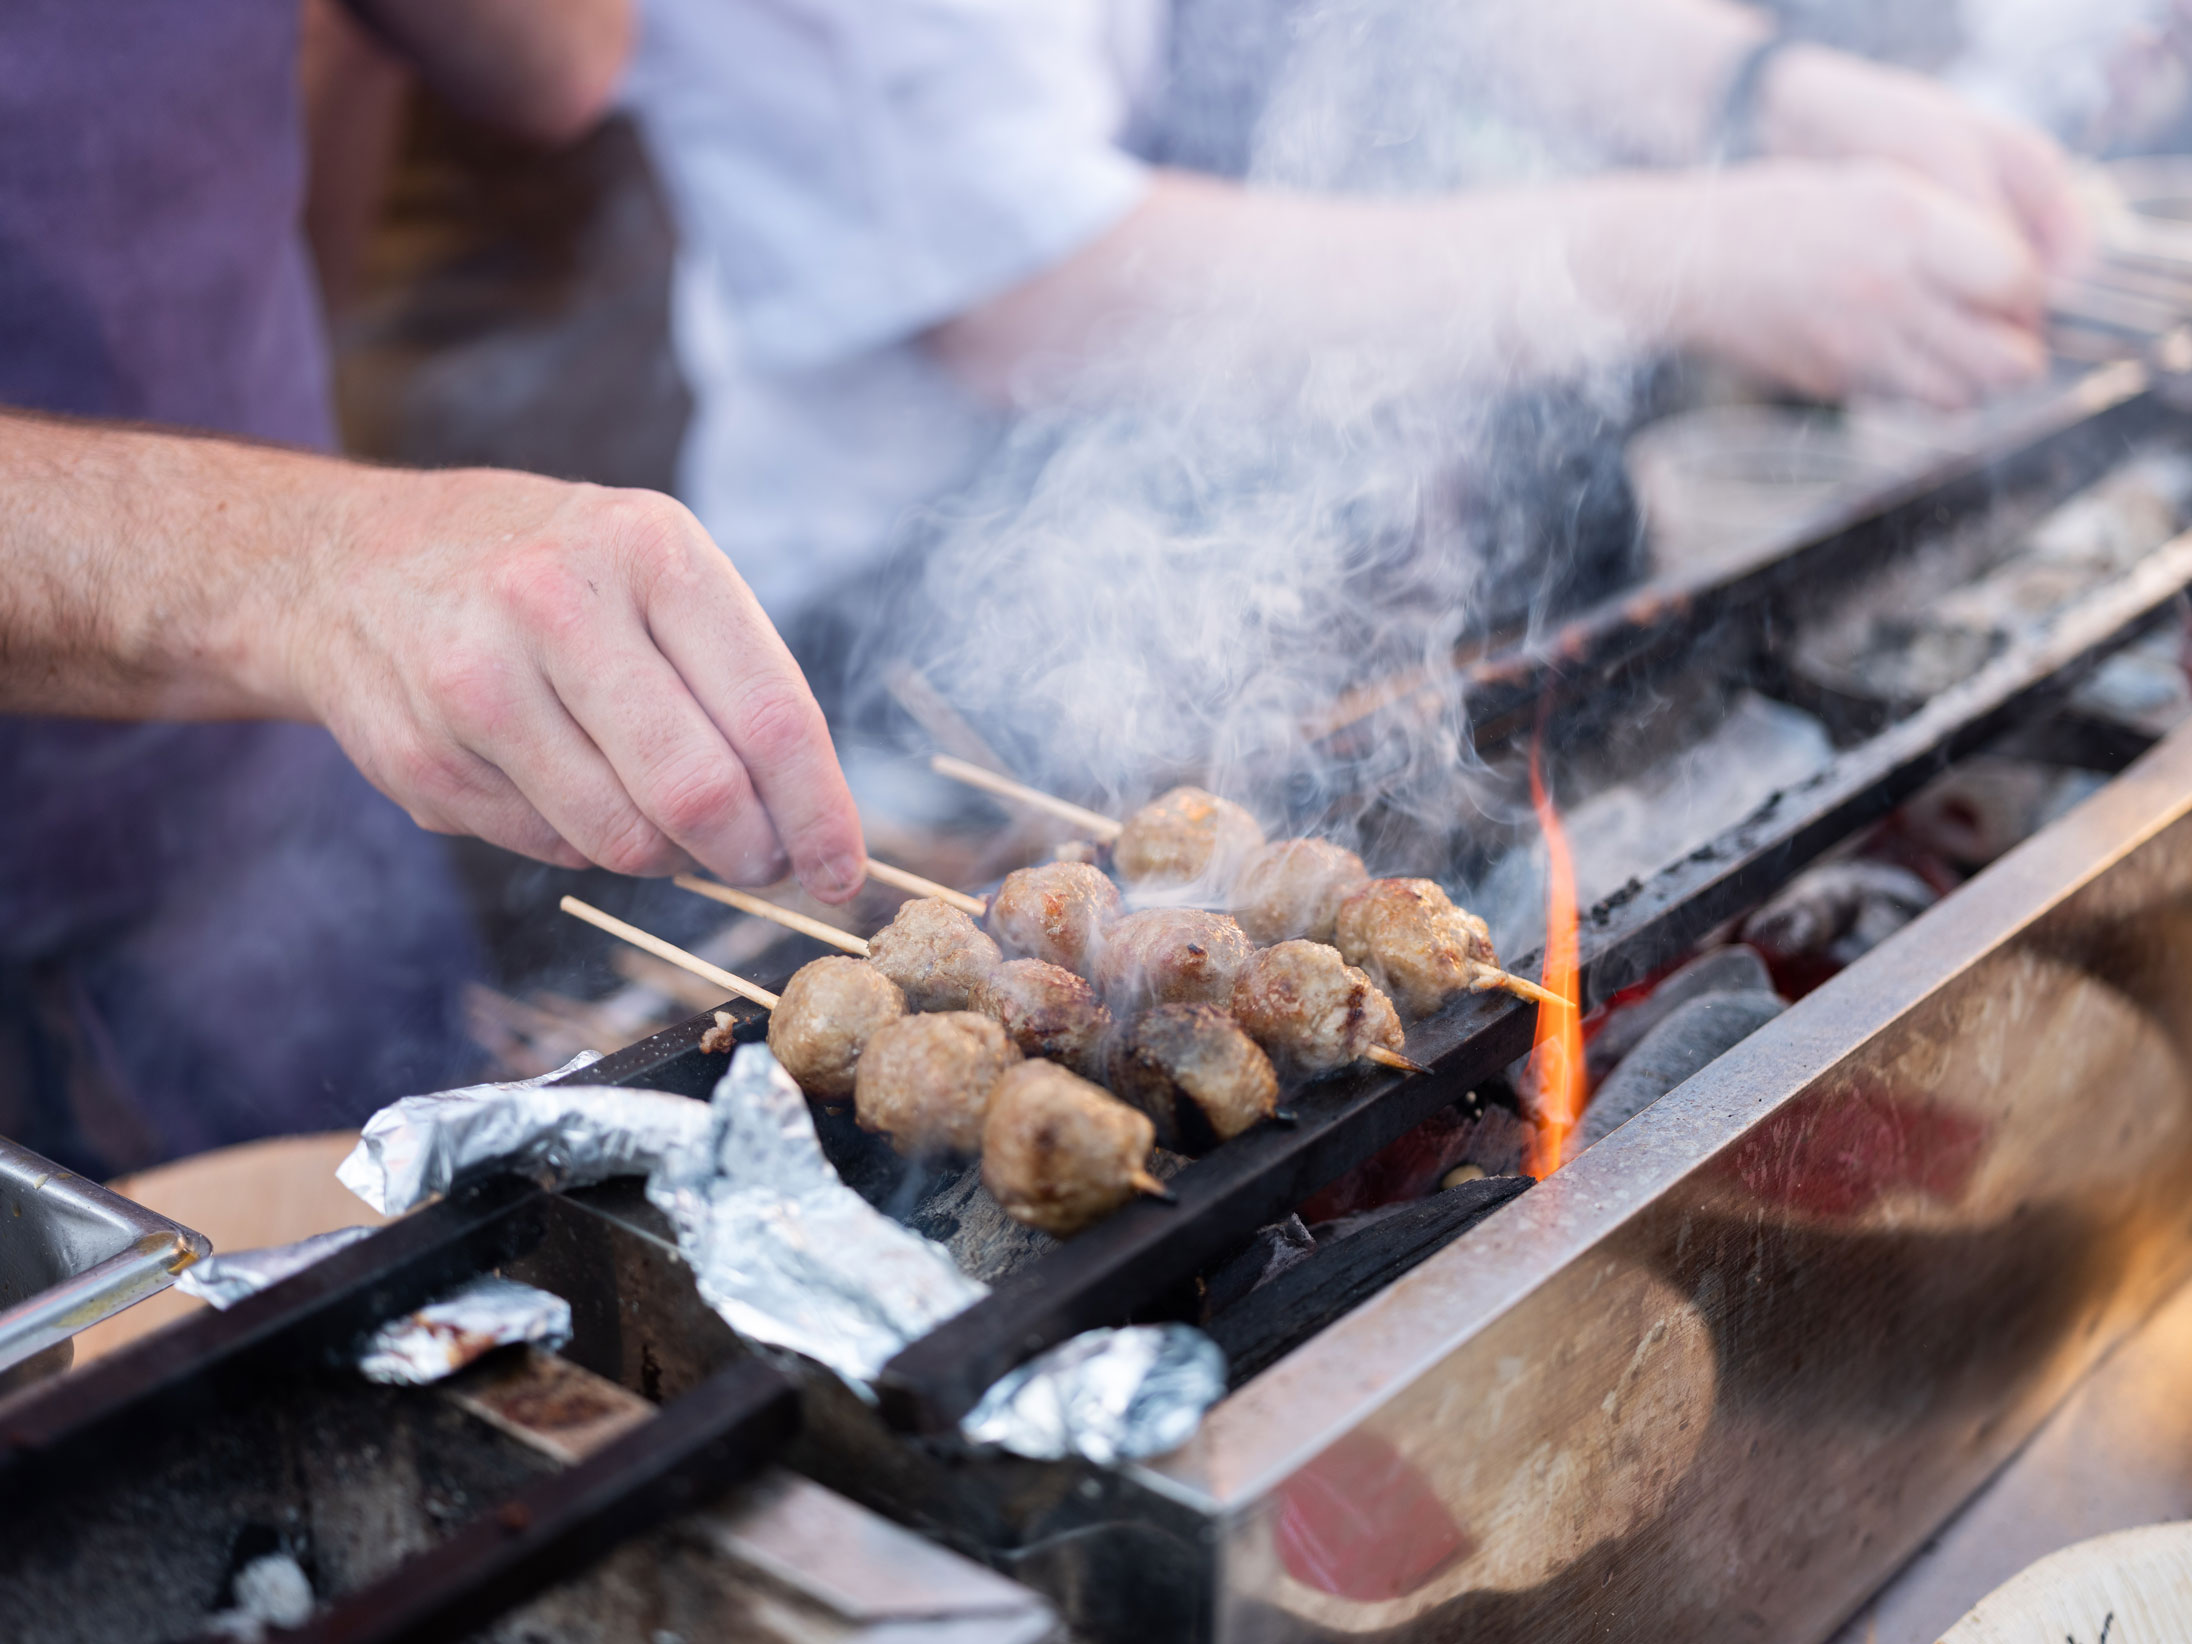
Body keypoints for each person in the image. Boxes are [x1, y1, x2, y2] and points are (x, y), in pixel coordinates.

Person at [0, 0, 865, 1176]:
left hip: (283, 794)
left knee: (452, 1278)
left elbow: (563, 60)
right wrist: (301, 557)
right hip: (288, 629)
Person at [627, 0, 2085, 629]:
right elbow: (1026, 291)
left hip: (1328, 573)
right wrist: (1688, 258)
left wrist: (1765, 99)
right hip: (926, 636)